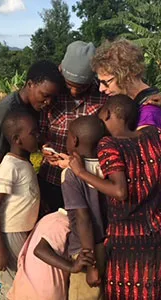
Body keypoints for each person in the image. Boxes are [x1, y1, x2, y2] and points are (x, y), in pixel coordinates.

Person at [69, 95, 161, 300]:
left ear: (108, 113)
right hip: (157, 235)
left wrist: (81, 172)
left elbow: (119, 192)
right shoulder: (153, 134)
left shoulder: (108, 144)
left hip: (126, 243)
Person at [0, 60, 64, 299]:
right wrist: (6, 200)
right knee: (0, 256)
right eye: (45, 96)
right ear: (30, 84)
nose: (48, 103)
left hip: (15, 176)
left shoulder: (33, 108)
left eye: (52, 99)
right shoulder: (7, 109)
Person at [92, 39, 161, 219]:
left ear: (125, 75)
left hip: (144, 208)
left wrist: (84, 169)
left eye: (107, 82)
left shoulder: (150, 112)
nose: (101, 88)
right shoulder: (136, 104)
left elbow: (134, 160)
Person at [38, 41, 107, 216]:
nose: (74, 91)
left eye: (81, 87)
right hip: (53, 180)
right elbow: (40, 129)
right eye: (69, 85)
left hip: (89, 183)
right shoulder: (51, 94)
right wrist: (44, 147)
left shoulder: (104, 96)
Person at [0, 111, 40, 298]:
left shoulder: (24, 161)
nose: (38, 136)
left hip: (23, 230)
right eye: (33, 133)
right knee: (14, 283)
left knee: (24, 278)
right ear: (17, 139)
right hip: (11, 233)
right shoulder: (9, 165)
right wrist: (0, 248)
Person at [62, 116, 107, 300]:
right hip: (106, 245)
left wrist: (91, 266)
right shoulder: (108, 166)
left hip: (85, 252)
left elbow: (83, 218)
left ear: (74, 140)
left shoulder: (71, 175)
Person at [7, 209, 95, 300]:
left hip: (27, 289)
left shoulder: (50, 219)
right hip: (42, 293)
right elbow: (40, 250)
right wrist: (72, 266)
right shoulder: (61, 222)